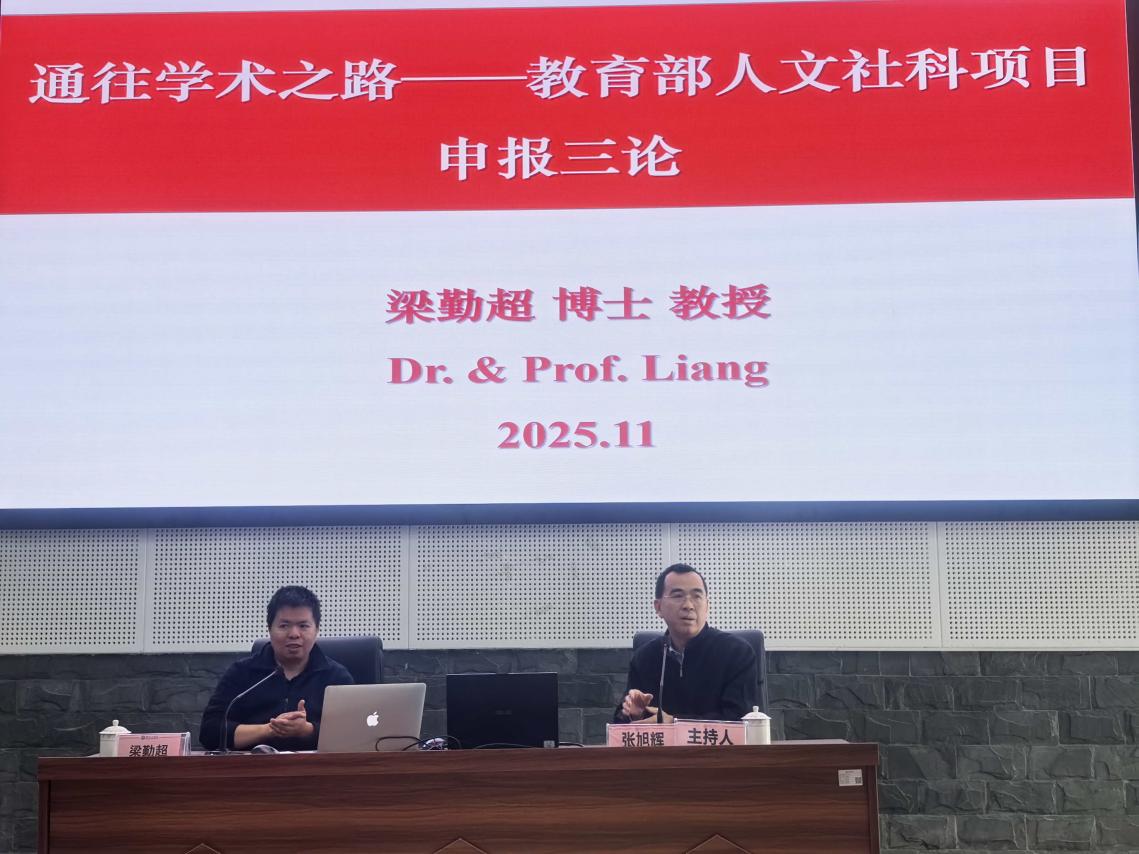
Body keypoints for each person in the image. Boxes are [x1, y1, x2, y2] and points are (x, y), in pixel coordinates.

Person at [200, 585, 353, 751]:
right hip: (253, 765)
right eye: (284, 625)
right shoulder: (241, 672)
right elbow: (209, 732)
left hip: (316, 766)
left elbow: (353, 733)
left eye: (303, 626)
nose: (294, 634)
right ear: (269, 628)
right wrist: (269, 729)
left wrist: (308, 730)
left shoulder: (336, 677)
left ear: (316, 630)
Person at [615, 563, 758, 723]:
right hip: (660, 742)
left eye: (697, 596)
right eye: (678, 596)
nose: (688, 606)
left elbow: (740, 721)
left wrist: (674, 722)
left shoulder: (737, 653)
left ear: (707, 606)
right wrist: (636, 714)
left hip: (716, 742)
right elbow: (619, 726)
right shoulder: (644, 658)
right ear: (658, 607)